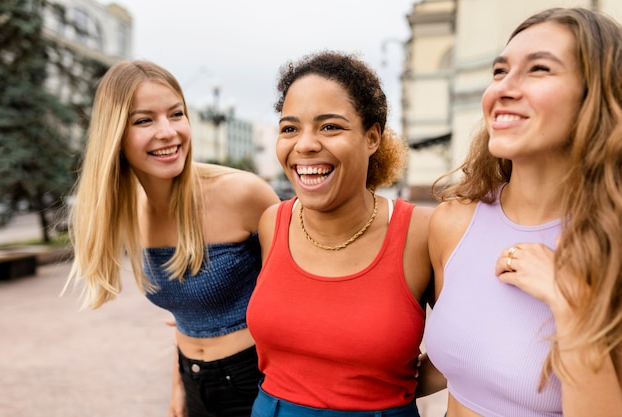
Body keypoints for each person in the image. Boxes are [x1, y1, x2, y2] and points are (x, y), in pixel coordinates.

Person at [423, 7, 622, 417]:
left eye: (539, 70)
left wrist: (571, 303)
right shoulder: (451, 223)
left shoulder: (613, 246)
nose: (503, 89)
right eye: (499, 71)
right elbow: (468, 362)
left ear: (597, 96)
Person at [64, 60, 280, 417]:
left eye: (176, 114)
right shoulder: (128, 209)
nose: (167, 132)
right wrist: (179, 385)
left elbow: (306, 292)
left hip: (259, 381)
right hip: (194, 380)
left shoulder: (243, 194)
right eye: (144, 120)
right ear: (114, 133)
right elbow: (187, 312)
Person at [245, 51, 433, 417]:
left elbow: (477, 341)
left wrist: (396, 387)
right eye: (289, 128)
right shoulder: (271, 222)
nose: (305, 144)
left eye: (330, 126)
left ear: (372, 137)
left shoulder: (420, 232)